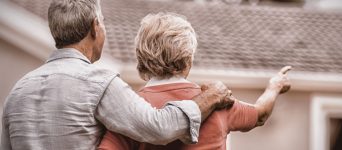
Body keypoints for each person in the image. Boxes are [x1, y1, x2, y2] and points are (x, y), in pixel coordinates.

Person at [1, 1, 235, 150]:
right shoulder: (98, 82)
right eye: (103, 23)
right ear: (95, 27)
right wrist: (211, 97)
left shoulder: (18, 91)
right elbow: (160, 127)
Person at [98, 12, 292, 150]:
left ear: (141, 58)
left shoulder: (131, 110)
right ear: (188, 58)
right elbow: (260, 115)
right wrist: (275, 86)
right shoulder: (217, 100)